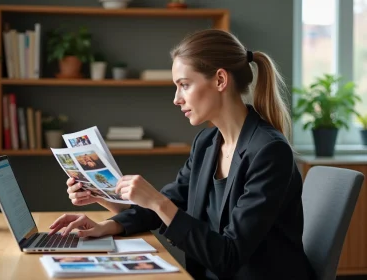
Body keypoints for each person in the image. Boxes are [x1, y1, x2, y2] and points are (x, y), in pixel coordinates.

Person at [49, 29, 315, 280]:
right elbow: (165, 205)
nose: (176, 98)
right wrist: (106, 225)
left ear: (220, 80)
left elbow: (229, 256)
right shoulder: (207, 142)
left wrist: (157, 201)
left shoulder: (269, 152)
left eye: (184, 85)